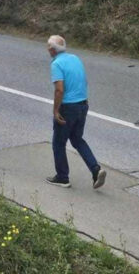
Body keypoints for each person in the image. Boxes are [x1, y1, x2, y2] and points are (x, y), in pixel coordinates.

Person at [45, 35, 106, 189]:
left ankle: (62, 177)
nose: (47, 49)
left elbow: (59, 90)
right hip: (82, 105)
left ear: (52, 50)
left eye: (48, 47)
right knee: (77, 139)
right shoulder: (75, 58)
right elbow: (84, 80)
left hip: (68, 107)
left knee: (58, 143)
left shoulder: (56, 64)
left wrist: (56, 110)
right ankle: (95, 169)